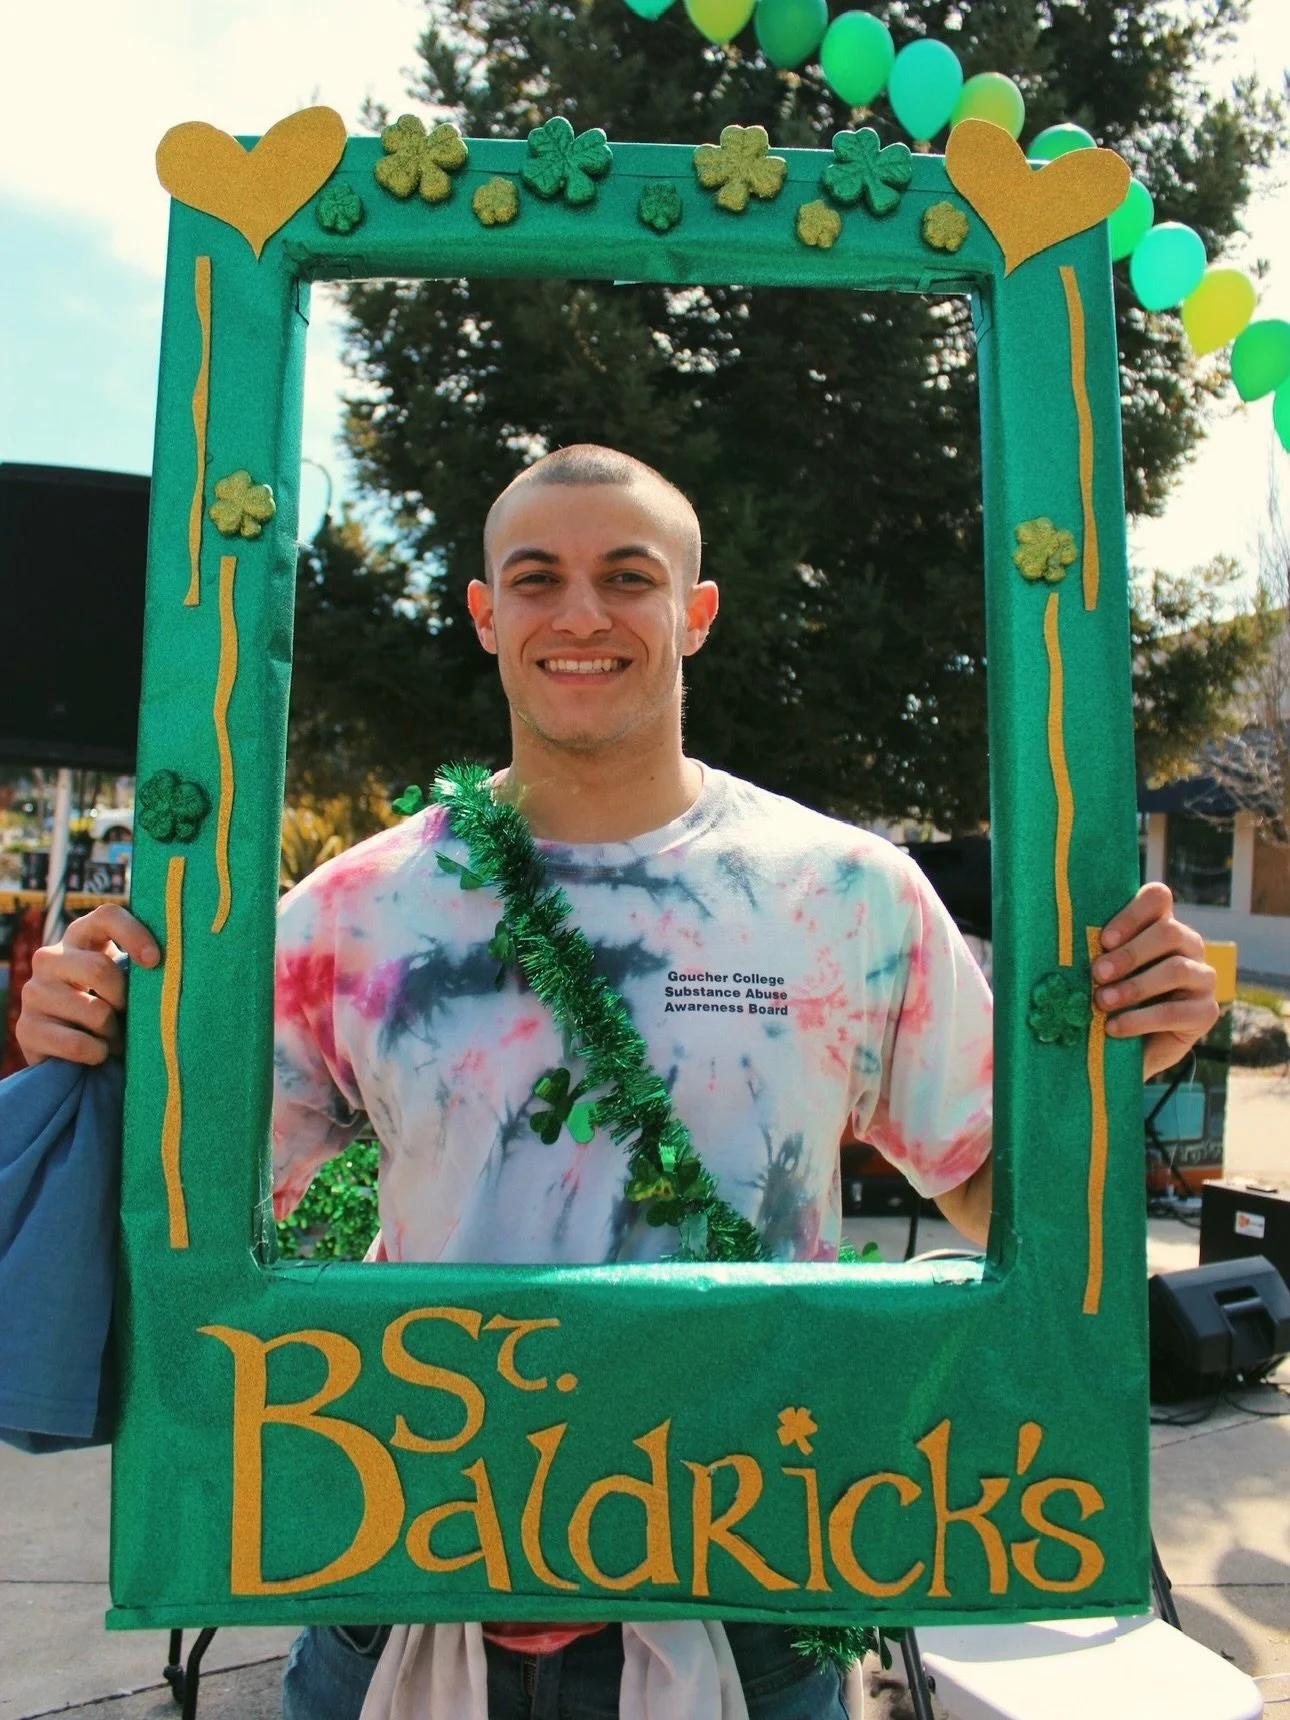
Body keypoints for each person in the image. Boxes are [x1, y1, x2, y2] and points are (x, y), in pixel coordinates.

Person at [17, 445, 1219, 1720]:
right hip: (401, 1583)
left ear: (694, 613)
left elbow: (997, 1198)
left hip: (753, 1589)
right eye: (536, 579)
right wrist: (93, 1055)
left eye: (627, 577)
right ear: (486, 616)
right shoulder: (353, 915)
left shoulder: (846, 896)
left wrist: (1117, 1058)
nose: (580, 614)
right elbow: (194, 1210)